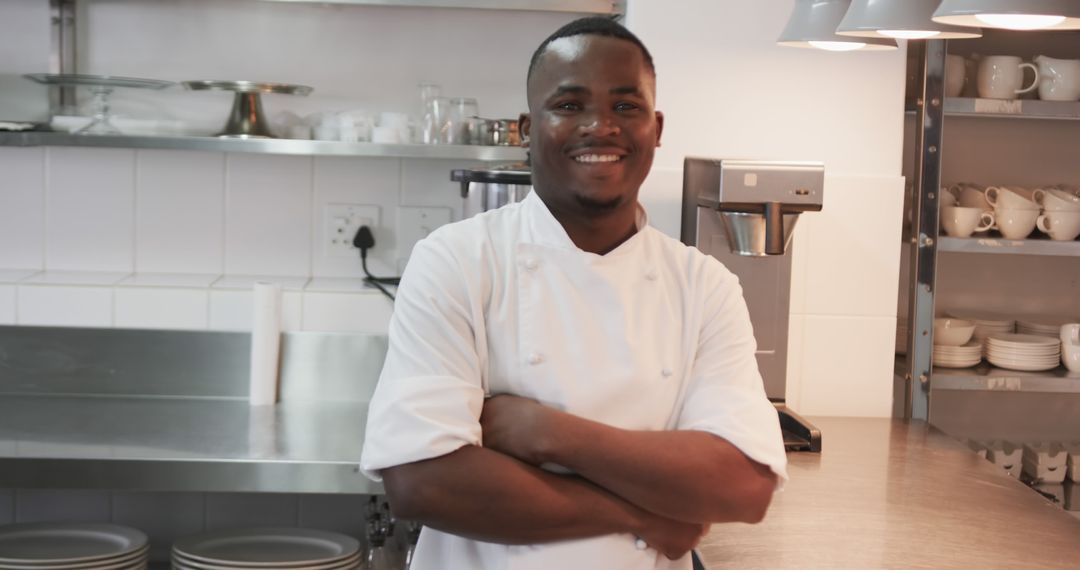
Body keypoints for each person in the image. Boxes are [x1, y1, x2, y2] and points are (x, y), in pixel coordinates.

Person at [360, 16, 788, 570]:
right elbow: (423, 482)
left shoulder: (703, 285)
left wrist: (545, 432)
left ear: (656, 129)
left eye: (625, 107)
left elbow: (741, 486)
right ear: (526, 129)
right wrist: (644, 515)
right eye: (569, 105)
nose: (600, 126)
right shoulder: (457, 260)